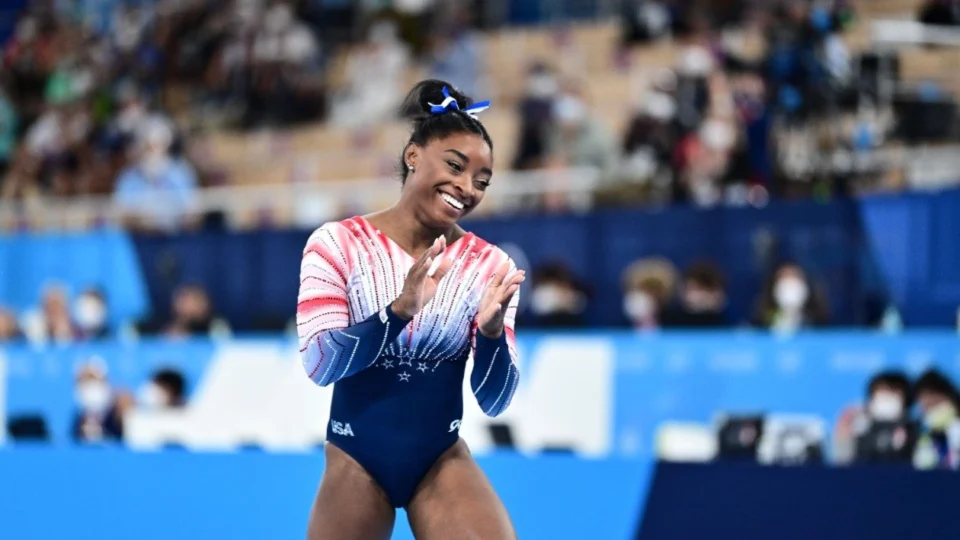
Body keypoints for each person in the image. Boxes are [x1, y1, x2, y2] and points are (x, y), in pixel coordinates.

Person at [297, 80, 524, 539]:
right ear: (413, 155)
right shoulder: (337, 244)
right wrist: (396, 312)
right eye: (455, 166)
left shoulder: (491, 266)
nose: (466, 188)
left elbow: (495, 400)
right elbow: (320, 364)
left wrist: (493, 336)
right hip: (354, 456)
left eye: (481, 181)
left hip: (439, 460)